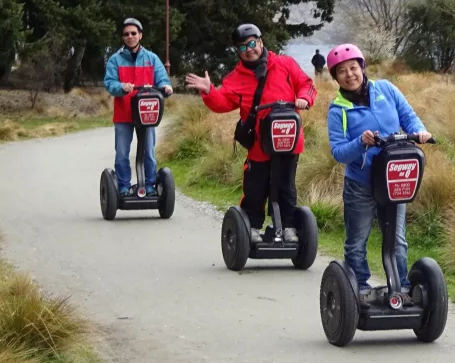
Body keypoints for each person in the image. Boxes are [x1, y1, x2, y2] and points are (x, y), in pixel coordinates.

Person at [184, 23, 316, 243]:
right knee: (255, 187)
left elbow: (307, 84)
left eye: (252, 43)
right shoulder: (236, 77)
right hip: (258, 143)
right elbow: (223, 103)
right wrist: (209, 91)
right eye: (242, 46)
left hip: (288, 140)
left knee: (286, 186)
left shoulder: (284, 64)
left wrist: (304, 98)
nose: (249, 49)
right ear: (238, 50)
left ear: (261, 41)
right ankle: (252, 227)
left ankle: (288, 226)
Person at [325, 43, 432, 299]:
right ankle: (359, 288)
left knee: (397, 240)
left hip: (395, 178)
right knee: (356, 242)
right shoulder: (338, 109)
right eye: (342, 71)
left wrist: (420, 131)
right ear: (336, 77)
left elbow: (408, 116)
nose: (350, 74)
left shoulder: (385, 89)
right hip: (360, 183)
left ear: (362, 68)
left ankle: (401, 288)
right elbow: (339, 152)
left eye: (353, 68)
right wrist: (360, 141)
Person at [103, 18, 173, 197]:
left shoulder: (151, 58)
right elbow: (109, 83)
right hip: (124, 113)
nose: (130, 36)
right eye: (126, 34)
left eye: (134, 33)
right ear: (122, 38)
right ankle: (124, 187)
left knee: (148, 151)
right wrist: (121, 87)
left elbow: (162, 80)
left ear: (140, 35)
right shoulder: (115, 60)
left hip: (147, 113)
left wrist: (166, 87)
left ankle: (149, 186)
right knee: (122, 153)